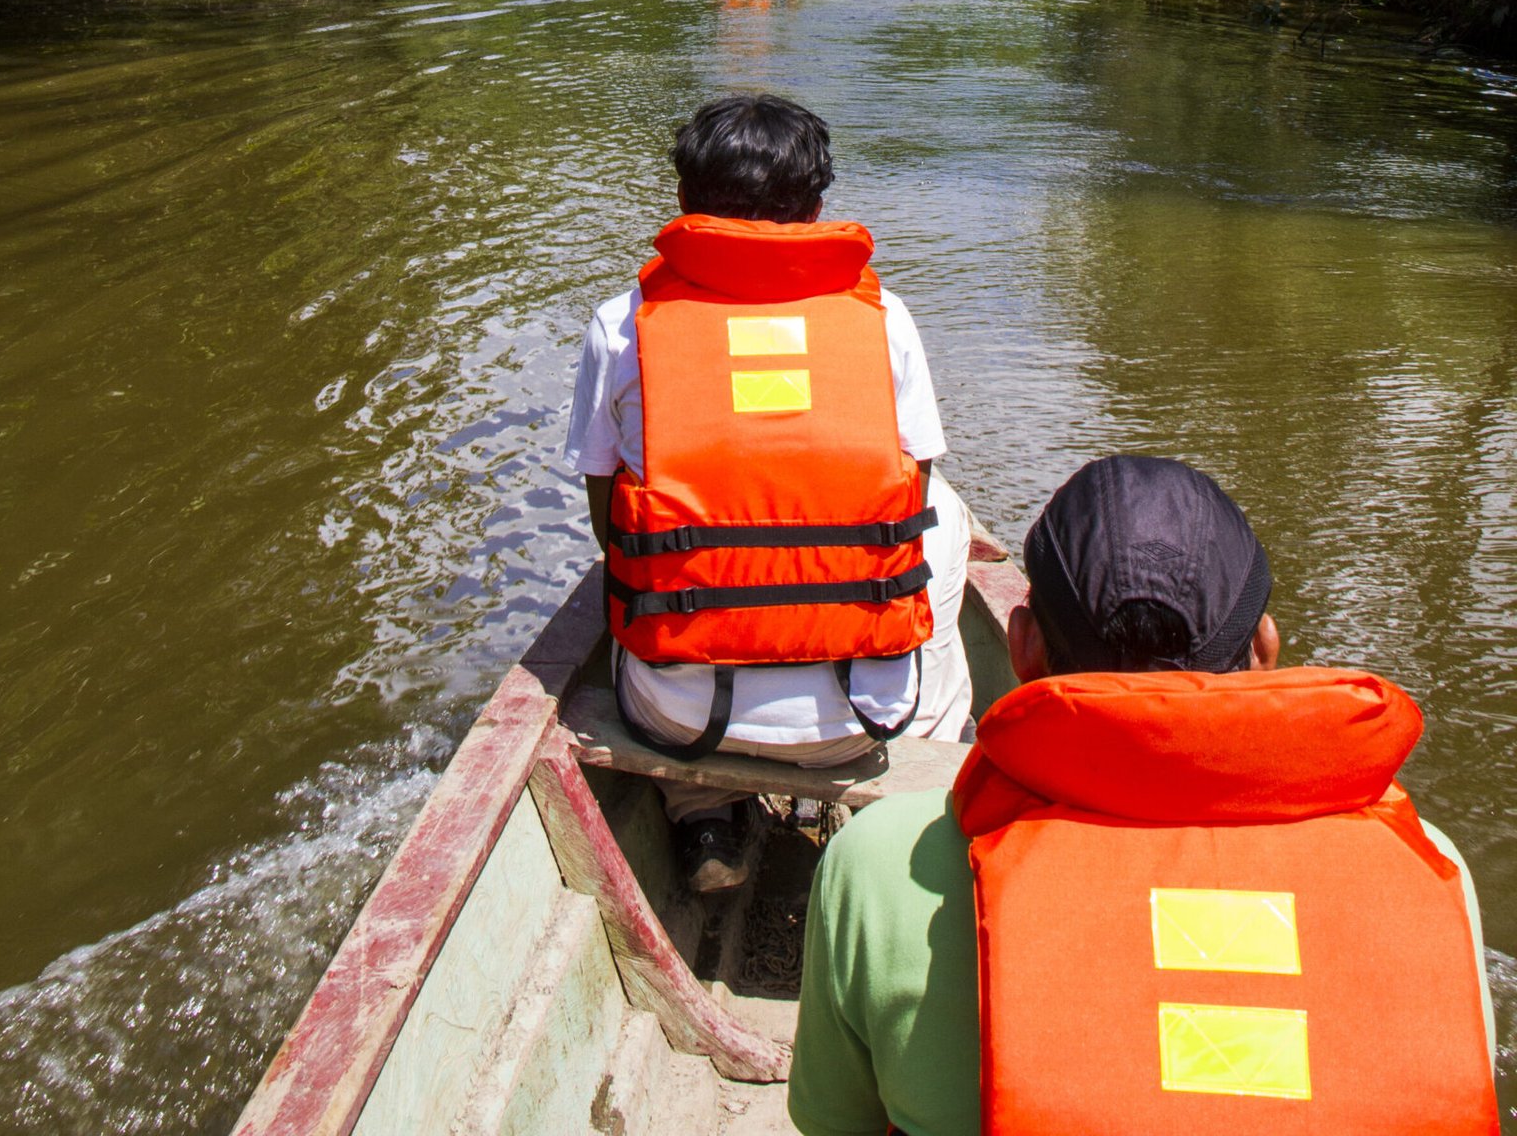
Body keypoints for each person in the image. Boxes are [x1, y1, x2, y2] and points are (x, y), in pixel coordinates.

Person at [789, 454, 1498, 1136]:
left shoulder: (880, 867)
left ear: (1023, 647)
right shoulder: (1429, 871)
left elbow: (833, 1122)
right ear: (1264, 651)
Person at [564, 93, 973, 893]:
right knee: (944, 515)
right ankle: (915, 795)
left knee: (642, 531)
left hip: (677, 719)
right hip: (861, 723)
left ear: (684, 204)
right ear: (819, 208)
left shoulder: (623, 325)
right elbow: (906, 504)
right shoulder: (885, 320)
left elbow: (607, 531)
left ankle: (696, 807)